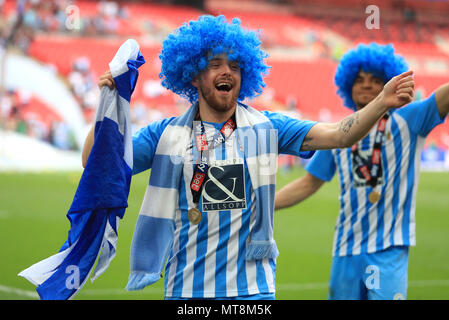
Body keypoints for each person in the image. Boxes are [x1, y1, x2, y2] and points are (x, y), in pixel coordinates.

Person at [82, 17, 414, 300]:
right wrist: (110, 106)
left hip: (253, 291)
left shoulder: (270, 127)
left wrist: (382, 101)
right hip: (186, 289)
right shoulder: (164, 135)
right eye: (215, 65)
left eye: (235, 66)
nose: (227, 72)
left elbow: (341, 134)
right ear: (193, 76)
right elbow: (94, 163)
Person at [275, 42, 449, 300]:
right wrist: (262, 204)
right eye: (359, 79)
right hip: (346, 248)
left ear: (387, 84)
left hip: (389, 247)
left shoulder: (410, 120)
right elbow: (308, 183)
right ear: (348, 86)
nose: (366, 85)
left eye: (375, 79)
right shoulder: (337, 134)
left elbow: (444, 98)